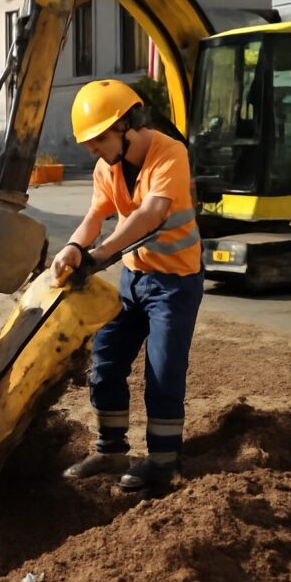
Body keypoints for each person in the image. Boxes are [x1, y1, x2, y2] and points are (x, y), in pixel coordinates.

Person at [53, 79, 204, 491]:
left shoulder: (170, 154)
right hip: (133, 280)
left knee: (163, 371)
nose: (91, 149)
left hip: (174, 284)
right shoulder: (107, 166)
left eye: (98, 138)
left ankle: (162, 460)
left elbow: (151, 213)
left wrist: (99, 255)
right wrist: (72, 247)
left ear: (127, 125)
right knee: (105, 362)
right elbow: (94, 216)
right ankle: (110, 449)